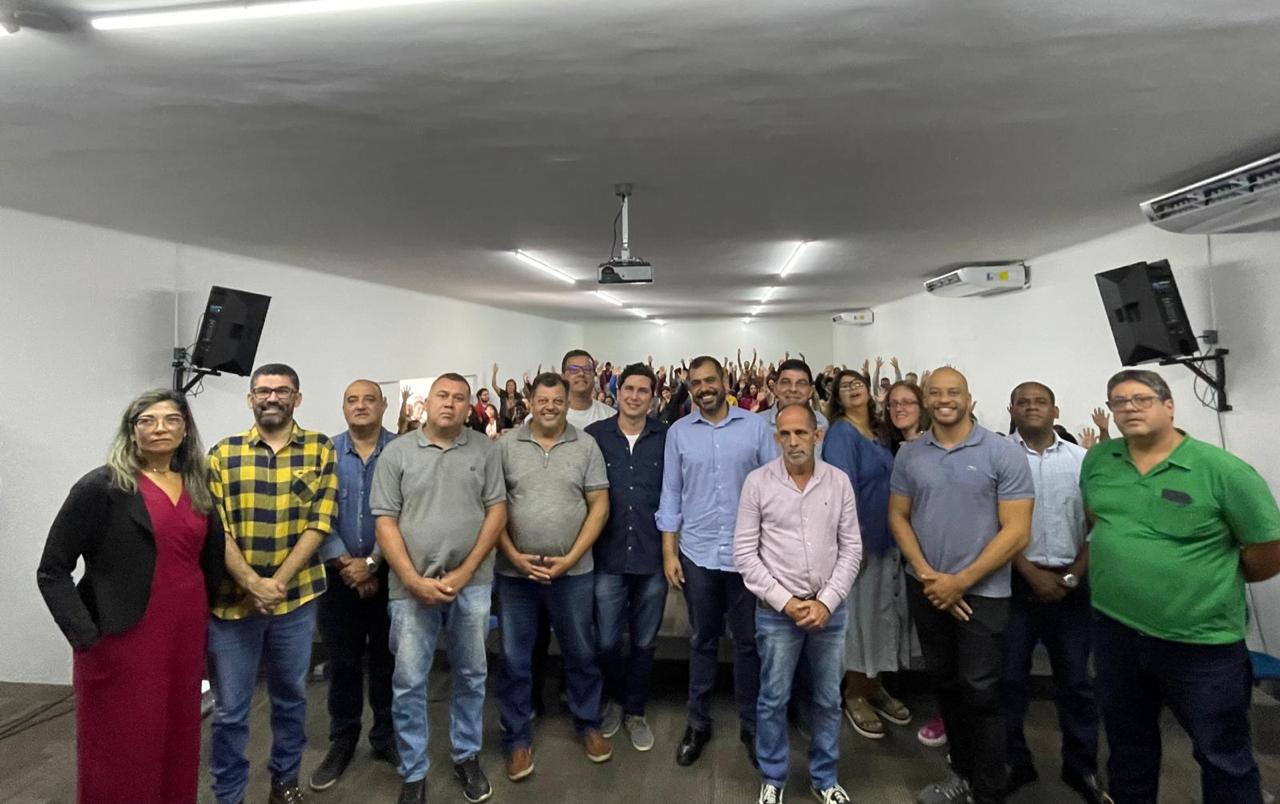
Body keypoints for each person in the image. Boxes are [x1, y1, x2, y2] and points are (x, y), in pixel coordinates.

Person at [1081, 369, 1280, 804]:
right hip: (1116, 633)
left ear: (1169, 406)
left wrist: (1205, 578)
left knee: (1221, 753)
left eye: (1141, 399)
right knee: (1127, 745)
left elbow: (1268, 549)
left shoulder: (1222, 470)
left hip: (1200, 643)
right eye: (1119, 402)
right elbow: (1101, 519)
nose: (1129, 408)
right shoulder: (1098, 460)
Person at [37, 389, 224, 804]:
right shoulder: (102, 486)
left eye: (171, 419)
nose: (160, 428)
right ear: (131, 430)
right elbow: (52, 570)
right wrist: (85, 636)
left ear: (186, 430)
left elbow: (210, 558)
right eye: (147, 420)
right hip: (123, 640)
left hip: (185, 638)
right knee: (123, 746)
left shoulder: (198, 486)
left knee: (179, 740)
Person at [889, 367, 1035, 804]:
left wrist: (961, 582)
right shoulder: (911, 454)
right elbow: (898, 516)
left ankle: (989, 791)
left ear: (969, 399)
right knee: (947, 685)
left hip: (982, 594)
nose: (944, 399)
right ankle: (963, 774)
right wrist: (929, 575)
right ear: (926, 400)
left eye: (953, 392)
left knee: (982, 691)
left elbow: (1017, 531)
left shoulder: (1002, 452)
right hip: (928, 588)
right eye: (935, 392)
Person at [372, 373, 508, 804]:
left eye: (459, 398)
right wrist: (412, 579)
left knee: (471, 674)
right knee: (409, 681)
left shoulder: (485, 450)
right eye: (442, 396)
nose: (449, 403)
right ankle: (414, 770)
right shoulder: (397, 453)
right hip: (409, 588)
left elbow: (497, 513)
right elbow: (385, 521)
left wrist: (465, 572)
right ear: (426, 403)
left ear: (470, 407)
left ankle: (466, 755)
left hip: (472, 585)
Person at [207, 363, 339, 804]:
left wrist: (275, 584)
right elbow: (217, 529)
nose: (272, 398)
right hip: (232, 605)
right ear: (251, 399)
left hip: (295, 601)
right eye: (263, 390)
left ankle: (284, 782)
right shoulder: (222, 454)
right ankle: (229, 794)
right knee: (230, 710)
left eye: (282, 391)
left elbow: (320, 523)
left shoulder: (320, 449)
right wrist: (250, 582)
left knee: (290, 699)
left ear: (296, 399)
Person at [736, 404, 862, 804]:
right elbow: (745, 554)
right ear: (776, 438)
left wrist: (826, 602)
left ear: (817, 435)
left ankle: (824, 778)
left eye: (801, 433)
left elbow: (851, 549)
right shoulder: (758, 483)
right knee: (773, 699)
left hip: (830, 613)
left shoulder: (838, 482)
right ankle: (773, 778)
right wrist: (787, 602)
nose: (793, 441)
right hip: (776, 615)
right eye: (786, 434)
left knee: (827, 699)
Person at [657, 355, 778, 768]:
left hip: (748, 555)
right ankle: (698, 723)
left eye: (710, 380)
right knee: (702, 641)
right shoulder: (678, 433)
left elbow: (773, 489)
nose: (704, 388)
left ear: (725, 381)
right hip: (698, 554)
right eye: (696, 383)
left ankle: (752, 726)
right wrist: (669, 552)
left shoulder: (755, 427)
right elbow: (671, 493)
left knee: (748, 643)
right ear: (689, 388)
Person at [495, 372, 613, 780]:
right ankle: (517, 738)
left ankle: (588, 724)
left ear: (567, 403)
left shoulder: (586, 445)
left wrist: (571, 558)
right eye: (542, 400)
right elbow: (494, 507)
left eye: (557, 401)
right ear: (530, 402)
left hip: (573, 573)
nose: (549, 407)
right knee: (514, 658)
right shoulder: (506, 446)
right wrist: (513, 556)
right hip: (515, 575)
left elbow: (599, 506)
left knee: (581, 652)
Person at [1002, 382, 1103, 803]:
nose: (1032, 407)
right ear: (1011, 409)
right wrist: (1028, 571)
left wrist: (1073, 576)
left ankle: (1081, 768)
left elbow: (1099, 523)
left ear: (1055, 410)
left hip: (1071, 587)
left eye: (1040, 401)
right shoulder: (999, 457)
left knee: (1076, 683)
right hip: (1014, 583)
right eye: (1023, 402)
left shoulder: (1083, 460)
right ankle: (1014, 763)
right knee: (1008, 682)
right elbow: (992, 523)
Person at [309, 381, 398, 792]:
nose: (361, 406)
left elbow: (406, 511)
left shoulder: (402, 451)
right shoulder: (324, 452)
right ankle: (343, 739)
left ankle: (385, 736)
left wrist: (373, 563)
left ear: (384, 405)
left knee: (387, 661)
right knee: (342, 663)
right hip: (337, 577)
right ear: (343, 407)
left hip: (391, 574)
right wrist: (347, 564)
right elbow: (314, 513)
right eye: (352, 400)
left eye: (369, 399)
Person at [822, 371, 913, 740]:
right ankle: (855, 693)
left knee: (882, 617)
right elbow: (841, 490)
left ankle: (875, 686)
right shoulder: (841, 433)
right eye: (844, 386)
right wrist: (851, 544)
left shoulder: (879, 433)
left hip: (889, 539)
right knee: (859, 620)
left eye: (857, 382)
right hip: (861, 542)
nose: (852, 388)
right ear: (836, 398)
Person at [585, 363, 669, 752]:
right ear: (617, 393)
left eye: (643, 391)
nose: (635, 396)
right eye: (629, 389)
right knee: (605, 641)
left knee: (645, 641)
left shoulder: (666, 438)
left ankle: (635, 710)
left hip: (652, 557)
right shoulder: (594, 437)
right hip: (608, 555)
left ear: (653, 397)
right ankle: (615, 699)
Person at [762, 359, 829, 431]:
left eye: (801, 383)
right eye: (785, 382)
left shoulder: (821, 423)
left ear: (810, 391)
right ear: (775, 388)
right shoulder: (758, 423)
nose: (793, 389)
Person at [561, 349, 617, 428]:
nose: (581, 373)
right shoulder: (551, 417)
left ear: (594, 375)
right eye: (574, 369)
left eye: (587, 369)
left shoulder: (611, 417)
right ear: (563, 377)